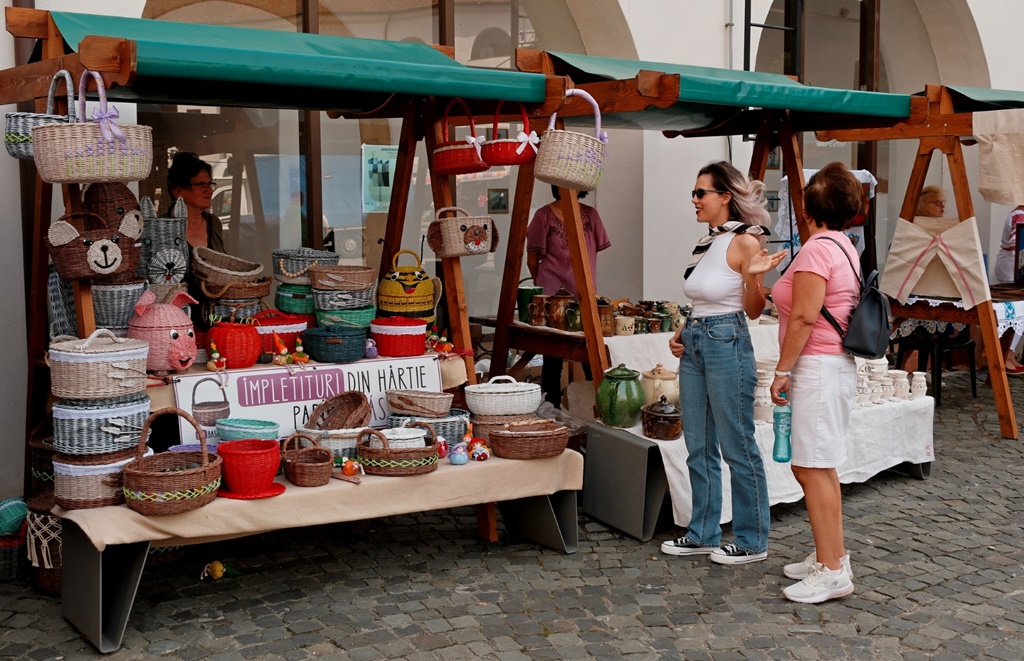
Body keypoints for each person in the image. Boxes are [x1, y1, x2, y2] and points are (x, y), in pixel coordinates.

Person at [661, 161, 785, 565]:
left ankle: (751, 539)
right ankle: (703, 532)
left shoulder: (746, 242)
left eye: (701, 193)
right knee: (697, 444)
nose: (694, 200)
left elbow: (751, 309)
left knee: (737, 444)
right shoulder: (709, 240)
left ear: (724, 197)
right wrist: (684, 331)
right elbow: (705, 299)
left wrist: (753, 278)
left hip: (727, 341)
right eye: (694, 193)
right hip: (699, 340)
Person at [769, 162, 861, 603]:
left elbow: (805, 315)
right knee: (818, 464)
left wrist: (783, 370)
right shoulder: (843, 245)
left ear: (806, 209)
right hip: (829, 366)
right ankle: (832, 556)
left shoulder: (816, 250)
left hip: (817, 368)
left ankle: (832, 569)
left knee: (811, 466)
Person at [526, 185, 611, 407]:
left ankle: (596, 409)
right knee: (552, 356)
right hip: (552, 298)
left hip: (585, 296)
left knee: (589, 353)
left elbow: (594, 253)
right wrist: (542, 286)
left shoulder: (591, 215)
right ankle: (551, 408)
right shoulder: (542, 215)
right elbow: (531, 260)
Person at [167, 151, 225, 253]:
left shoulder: (214, 223)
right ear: (178, 191)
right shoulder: (159, 226)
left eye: (210, 184)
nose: (209, 190)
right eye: (201, 184)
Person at [993, 205, 1024, 374]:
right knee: (1016, 311)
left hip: (1014, 266)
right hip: (1013, 267)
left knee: (1019, 312)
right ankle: (1006, 355)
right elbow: (1016, 242)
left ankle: (1009, 354)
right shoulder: (1020, 214)